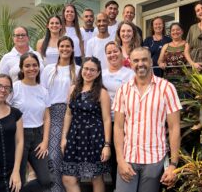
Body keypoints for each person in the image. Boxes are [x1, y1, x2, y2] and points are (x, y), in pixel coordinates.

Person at [113, 47, 182, 192]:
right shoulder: (123, 90)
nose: (140, 64)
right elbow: (118, 127)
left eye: (144, 59)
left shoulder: (167, 88)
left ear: (151, 61)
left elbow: (174, 127)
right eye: (136, 60)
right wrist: (120, 159)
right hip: (128, 159)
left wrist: (173, 165)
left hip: (154, 160)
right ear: (130, 64)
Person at [61, 57, 111, 192]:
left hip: (93, 138)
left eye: (92, 70)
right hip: (74, 136)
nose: (88, 72)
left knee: (95, 177)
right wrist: (64, 137)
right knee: (68, 178)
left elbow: (107, 120)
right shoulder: (73, 89)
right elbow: (68, 114)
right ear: (81, 69)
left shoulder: (102, 92)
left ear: (98, 73)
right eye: (86, 68)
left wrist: (107, 145)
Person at [41, 36, 80, 192]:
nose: (65, 49)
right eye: (62, 46)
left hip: (73, 114)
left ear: (72, 49)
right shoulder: (48, 69)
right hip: (53, 114)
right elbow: (43, 93)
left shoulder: (78, 70)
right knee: (54, 156)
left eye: (68, 46)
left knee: (71, 156)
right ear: (58, 48)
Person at [9, 53, 53, 192]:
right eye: (27, 65)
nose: (31, 68)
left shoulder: (43, 90)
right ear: (21, 69)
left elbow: (47, 117)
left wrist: (45, 141)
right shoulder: (15, 88)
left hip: (38, 137)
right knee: (18, 181)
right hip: (19, 136)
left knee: (47, 180)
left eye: (34, 65)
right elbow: (6, 111)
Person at [102, 42, 134, 190]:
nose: (112, 55)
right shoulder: (101, 74)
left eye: (115, 51)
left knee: (124, 156)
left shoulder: (129, 74)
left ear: (121, 53)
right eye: (109, 52)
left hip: (125, 122)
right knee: (112, 158)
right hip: (106, 122)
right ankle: (116, 187)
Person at [0, 74, 24, 192]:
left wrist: (16, 171)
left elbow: (19, 141)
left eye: (7, 87)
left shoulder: (15, 113)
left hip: (12, 170)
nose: (3, 90)